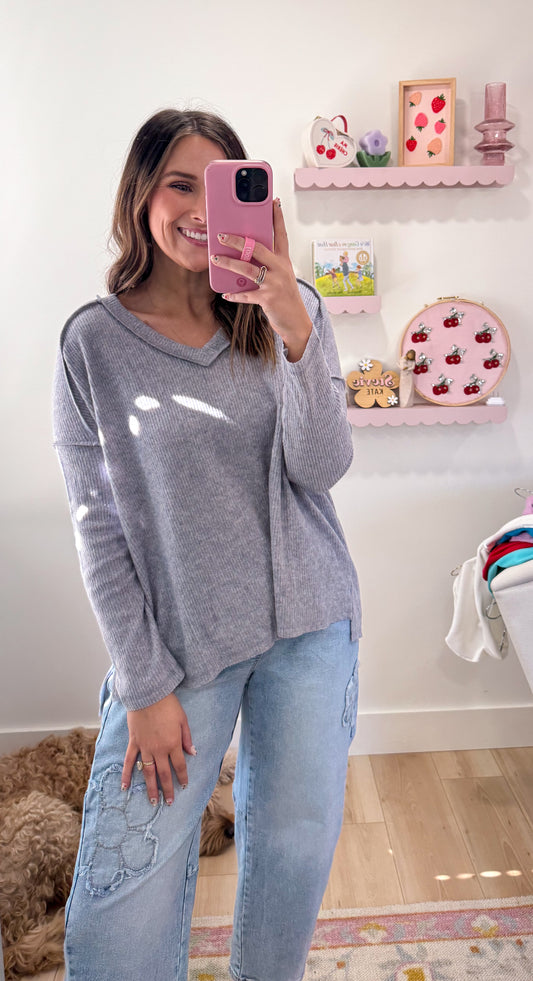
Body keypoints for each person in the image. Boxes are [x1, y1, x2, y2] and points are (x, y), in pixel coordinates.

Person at [52, 107, 361, 981]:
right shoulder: (94, 342)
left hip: (311, 625)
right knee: (125, 885)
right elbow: (97, 526)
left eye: (218, 187)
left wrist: (293, 325)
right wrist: (143, 683)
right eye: (177, 185)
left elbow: (322, 468)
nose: (197, 209)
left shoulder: (290, 310)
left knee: (292, 848)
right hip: (181, 646)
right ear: (140, 196)